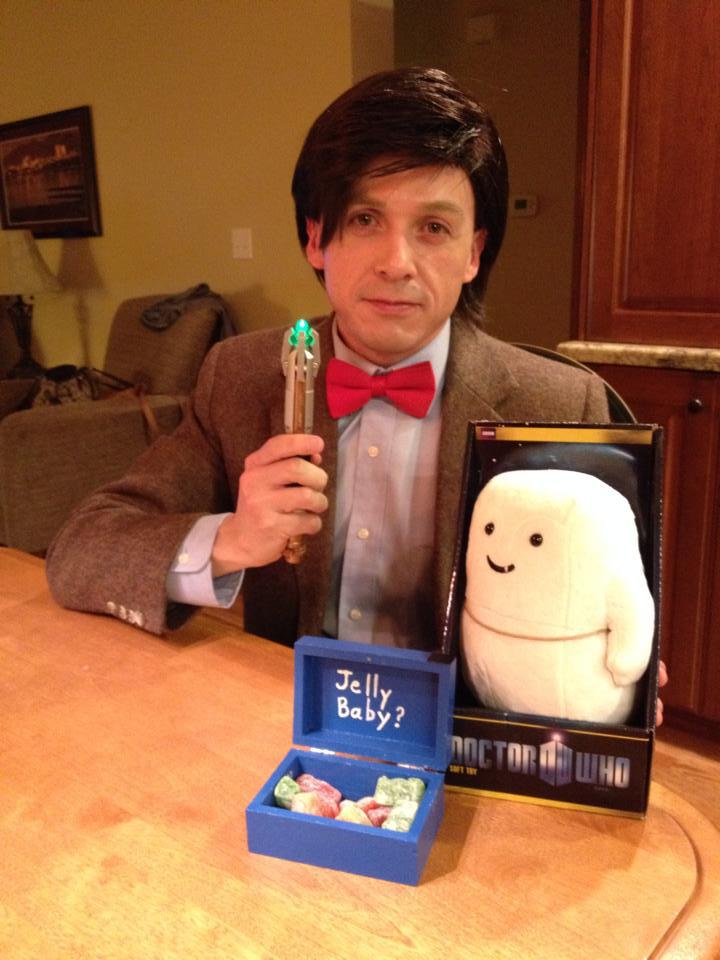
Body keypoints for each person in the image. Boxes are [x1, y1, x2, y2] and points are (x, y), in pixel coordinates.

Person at [45, 69, 653, 682]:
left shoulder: (559, 403)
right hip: (282, 713)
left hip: (457, 725)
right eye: (365, 219)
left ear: (473, 252)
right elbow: (82, 548)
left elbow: (613, 599)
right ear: (316, 238)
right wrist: (232, 538)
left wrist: (617, 680)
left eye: (434, 228)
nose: (396, 263)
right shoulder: (241, 377)